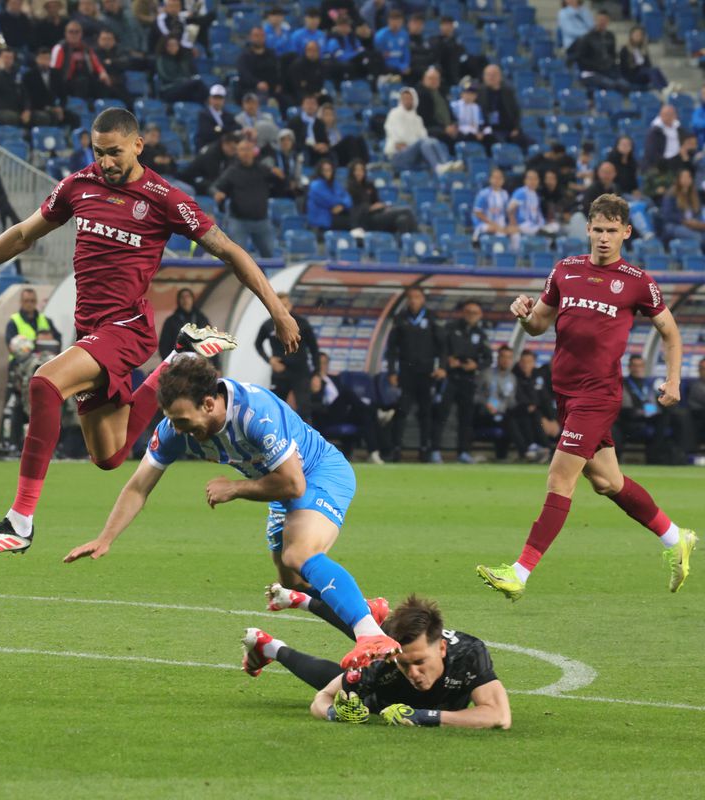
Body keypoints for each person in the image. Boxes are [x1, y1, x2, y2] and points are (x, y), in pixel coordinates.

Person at [0, 108, 297, 555]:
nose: (106, 162)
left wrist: (276, 308)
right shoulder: (78, 185)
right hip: (92, 332)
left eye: (114, 153)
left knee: (43, 384)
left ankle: (19, 522)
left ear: (138, 145)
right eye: (98, 153)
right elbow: (23, 234)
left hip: (127, 328)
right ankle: (178, 356)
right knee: (109, 456)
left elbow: (230, 251)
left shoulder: (164, 198)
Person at [63, 356, 403, 674]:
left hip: (318, 473)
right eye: (171, 420)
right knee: (294, 582)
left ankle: (370, 632)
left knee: (300, 553)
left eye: (183, 421)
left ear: (209, 404)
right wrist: (105, 537)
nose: (177, 430)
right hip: (276, 481)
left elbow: (294, 484)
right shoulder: (174, 428)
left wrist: (236, 488)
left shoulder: (255, 413)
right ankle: (362, 608)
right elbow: (139, 486)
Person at [477, 194, 698, 599]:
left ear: (626, 233)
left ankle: (519, 573)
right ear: (588, 229)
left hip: (598, 395)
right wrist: (525, 314)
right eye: (597, 229)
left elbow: (669, 332)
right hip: (565, 392)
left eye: (612, 231)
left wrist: (673, 380)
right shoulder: (565, 270)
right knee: (607, 481)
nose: (603, 237)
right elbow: (538, 326)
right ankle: (674, 537)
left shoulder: (638, 281)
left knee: (560, 478)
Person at [243, 594, 511, 730]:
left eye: (419, 662)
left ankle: (273, 642)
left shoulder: (468, 653)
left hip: (417, 699)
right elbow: (322, 697)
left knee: (363, 640)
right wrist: (334, 714)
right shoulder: (381, 661)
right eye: (405, 665)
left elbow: (499, 717)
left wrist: (423, 717)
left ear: (441, 647)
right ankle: (274, 647)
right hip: (376, 693)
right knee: (344, 678)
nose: (414, 673)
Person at [386, 285, 445, 463]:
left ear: (423, 299)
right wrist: (391, 371)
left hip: (427, 373)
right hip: (406, 372)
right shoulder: (400, 318)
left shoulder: (432, 318)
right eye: (410, 297)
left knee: (426, 412)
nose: (413, 301)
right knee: (402, 411)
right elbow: (392, 348)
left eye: (417, 297)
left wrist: (442, 366)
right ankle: (396, 448)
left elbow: (442, 345)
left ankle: (425, 449)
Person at [438, 300, 492, 464]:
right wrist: (447, 362)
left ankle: (463, 452)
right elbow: (440, 350)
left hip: (468, 379)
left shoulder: (481, 334)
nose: (471, 315)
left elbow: (488, 358)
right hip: (450, 377)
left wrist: (476, 365)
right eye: (468, 312)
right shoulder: (450, 329)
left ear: (480, 315)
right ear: (462, 313)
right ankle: (433, 450)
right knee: (441, 415)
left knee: (466, 418)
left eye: (475, 313)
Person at [256, 292, 320, 421]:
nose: (283, 309)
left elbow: (314, 349)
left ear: (290, 305)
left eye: (285, 305)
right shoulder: (268, 325)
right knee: (275, 408)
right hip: (280, 371)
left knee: (304, 409)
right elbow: (258, 344)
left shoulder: (302, 323)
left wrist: (316, 374)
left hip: (300, 372)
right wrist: (270, 360)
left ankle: (304, 440)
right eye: (280, 306)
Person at [213, 138, 277, 259]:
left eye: (248, 149)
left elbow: (280, 186)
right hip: (239, 221)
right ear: (237, 152)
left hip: (262, 220)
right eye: (242, 150)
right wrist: (218, 193)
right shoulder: (232, 172)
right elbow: (216, 187)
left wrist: (281, 178)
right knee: (238, 257)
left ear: (254, 151)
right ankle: (237, 278)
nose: (245, 153)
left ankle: (266, 278)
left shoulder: (263, 170)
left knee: (269, 256)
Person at [384, 88, 458, 176]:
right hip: (398, 155)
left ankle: (445, 165)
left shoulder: (417, 118)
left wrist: (418, 143)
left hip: (415, 153)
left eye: (409, 98)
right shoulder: (395, 114)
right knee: (423, 142)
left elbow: (424, 136)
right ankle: (438, 167)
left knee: (433, 141)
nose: (407, 101)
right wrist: (415, 143)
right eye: (404, 98)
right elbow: (399, 138)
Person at [569, 10, 630, 94]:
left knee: (625, 85)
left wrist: (610, 66)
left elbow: (612, 55)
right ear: (595, 20)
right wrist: (597, 66)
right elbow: (580, 58)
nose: (602, 22)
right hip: (591, 72)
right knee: (610, 84)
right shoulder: (587, 38)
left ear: (608, 21)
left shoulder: (610, 36)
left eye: (604, 20)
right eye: (600, 20)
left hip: (608, 71)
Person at [346, 160, 416, 233]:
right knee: (407, 210)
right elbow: (353, 209)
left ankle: (404, 242)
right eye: (356, 170)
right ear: (352, 172)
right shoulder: (349, 188)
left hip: (378, 214)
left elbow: (377, 201)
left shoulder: (369, 185)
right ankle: (417, 238)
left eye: (361, 170)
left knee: (402, 220)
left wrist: (382, 206)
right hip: (366, 219)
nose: (359, 173)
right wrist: (370, 208)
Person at [476, 344, 518, 461]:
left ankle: (504, 456)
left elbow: (512, 402)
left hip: (504, 414)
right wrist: (486, 404)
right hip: (486, 414)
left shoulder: (512, 378)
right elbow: (475, 396)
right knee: (508, 421)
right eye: (503, 357)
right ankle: (526, 451)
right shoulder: (486, 374)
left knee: (515, 419)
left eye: (509, 357)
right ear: (498, 358)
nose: (506, 360)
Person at [23, 47, 79, 129]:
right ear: (37, 59)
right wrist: (48, 108)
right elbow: (27, 96)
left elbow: (63, 95)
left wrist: (60, 107)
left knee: (74, 118)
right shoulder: (29, 76)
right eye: (42, 58)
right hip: (36, 108)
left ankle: (69, 139)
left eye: (47, 59)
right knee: (48, 117)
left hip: (53, 108)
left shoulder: (56, 74)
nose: (44, 61)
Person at [478, 64, 528, 149]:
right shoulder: (479, 92)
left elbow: (516, 112)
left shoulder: (508, 92)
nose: (491, 77)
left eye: (494, 75)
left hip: (509, 129)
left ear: (500, 76)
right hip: (489, 130)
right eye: (488, 75)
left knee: (529, 144)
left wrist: (516, 128)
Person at [5, 287, 62, 354]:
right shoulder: (13, 322)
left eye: (32, 301)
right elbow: (11, 347)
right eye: (26, 301)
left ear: (36, 301)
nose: (29, 304)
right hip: (21, 362)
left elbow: (58, 340)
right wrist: (35, 343)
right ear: (21, 302)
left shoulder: (46, 320)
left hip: (45, 359)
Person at [158, 288, 211, 360]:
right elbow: (164, 346)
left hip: (199, 363)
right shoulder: (171, 321)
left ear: (192, 299)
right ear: (178, 301)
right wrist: (170, 362)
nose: (185, 300)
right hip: (178, 362)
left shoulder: (201, 319)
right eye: (182, 297)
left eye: (188, 296)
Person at [181, 130, 239, 196]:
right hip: (194, 180)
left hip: (207, 178)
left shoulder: (225, 151)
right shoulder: (211, 154)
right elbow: (213, 176)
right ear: (225, 144)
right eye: (232, 148)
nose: (234, 152)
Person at [0, 48, 29, 127]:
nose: (8, 60)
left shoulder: (16, 73)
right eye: (5, 57)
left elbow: (25, 93)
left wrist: (27, 110)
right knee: (12, 117)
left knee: (37, 118)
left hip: (14, 109)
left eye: (10, 58)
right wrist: (1, 70)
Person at [509, 168, 558, 244]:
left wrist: (544, 224)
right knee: (530, 227)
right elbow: (510, 210)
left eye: (535, 179)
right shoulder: (521, 192)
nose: (533, 181)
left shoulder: (536, 195)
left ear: (538, 181)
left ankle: (544, 234)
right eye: (530, 179)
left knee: (555, 226)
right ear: (525, 180)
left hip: (535, 225)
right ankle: (544, 233)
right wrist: (514, 225)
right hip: (523, 224)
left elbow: (538, 213)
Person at [154, 35, 206, 104]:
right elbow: (165, 76)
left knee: (199, 89)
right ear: (165, 46)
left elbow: (191, 73)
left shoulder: (182, 59)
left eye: (175, 45)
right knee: (198, 83)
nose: (173, 47)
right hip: (168, 89)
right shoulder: (161, 59)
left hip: (183, 87)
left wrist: (187, 80)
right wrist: (183, 81)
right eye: (171, 45)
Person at [661, 168, 705, 248]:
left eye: (688, 177)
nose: (686, 179)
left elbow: (698, 213)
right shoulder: (671, 194)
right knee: (697, 237)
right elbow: (667, 215)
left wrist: (699, 223)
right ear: (678, 179)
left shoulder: (695, 195)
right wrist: (685, 221)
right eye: (683, 177)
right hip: (675, 225)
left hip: (693, 225)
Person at [306, 159, 352, 233]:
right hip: (322, 219)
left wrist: (342, 206)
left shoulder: (335, 183)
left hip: (334, 216)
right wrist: (342, 203)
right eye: (324, 170)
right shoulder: (315, 185)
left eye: (329, 170)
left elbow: (348, 198)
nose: (327, 172)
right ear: (320, 171)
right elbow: (330, 200)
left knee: (353, 218)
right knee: (350, 222)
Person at [237, 25, 281, 102]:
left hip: (271, 90)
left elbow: (277, 72)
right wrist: (257, 83)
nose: (259, 38)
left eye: (262, 35)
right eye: (256, 36)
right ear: (250, 37)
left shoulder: (271, 54)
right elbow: (244, 75)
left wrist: (278, 84)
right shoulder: (244, 56)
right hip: (251, 90)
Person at [619, 25, 667, 92]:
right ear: (631, 36)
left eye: (640, 35)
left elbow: (649, 64)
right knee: (649, 71)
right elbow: (626, 68)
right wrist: (638, 65)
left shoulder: (643, 49)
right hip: (632, 75)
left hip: (644, 74)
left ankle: (666, 88)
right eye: (636, 34)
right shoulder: (625, 49)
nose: (638, 36)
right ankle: (661, 89)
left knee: (656, 69)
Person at [472, 167, 512, 243]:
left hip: (501, 224)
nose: (497, 180)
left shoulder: (505, 194)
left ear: (503, 180)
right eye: (495, 178)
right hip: (485, 223)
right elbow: (477, 212)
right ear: (490, 179)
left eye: (499, 178)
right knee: (493, 229)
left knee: (513, 232)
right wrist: (493, 224)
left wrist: (510, 225)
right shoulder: (483, 194)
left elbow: (508, 212)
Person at [196, 84, 240, 150]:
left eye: (220, 98)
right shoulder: (203, 114)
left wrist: (219, 129)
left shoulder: (227, 114)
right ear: (210, 99)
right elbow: (207, 133)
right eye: (215, 98)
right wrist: (225, 129)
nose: (217, 101)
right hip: (208, 146)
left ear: (224, 100)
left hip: (224, 147)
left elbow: (236, 127)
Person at [372, 8, 408, 81]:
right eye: (393, 21)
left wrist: (405, 65)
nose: (396, 24)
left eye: (398, 21)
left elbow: (406, 52)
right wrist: (399, 67)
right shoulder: (380, 36)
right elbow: (379, 56)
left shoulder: (404, 34)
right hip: (386, 67)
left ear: (402, 22)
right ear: (389, 21)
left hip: (401, 66)